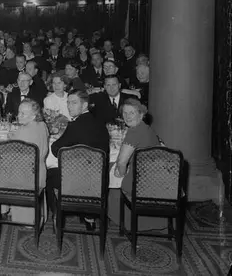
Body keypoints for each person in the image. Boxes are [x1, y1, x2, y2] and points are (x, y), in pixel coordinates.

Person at [0, 100, 49, 232]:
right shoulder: (42, 125)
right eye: (19, 112)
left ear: (34, 115)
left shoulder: (23, 131)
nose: (19, 116)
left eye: (24, 113)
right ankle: (10, 211)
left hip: (24, 179)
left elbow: (9, 157)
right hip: (39, 175)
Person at [47, 90, 109, 230]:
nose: (69, 106)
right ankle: (89, 217)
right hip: (98, 182)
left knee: (49, 173)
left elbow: (56, 149)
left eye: (74, 103)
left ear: (85, 105)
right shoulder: (101, 124)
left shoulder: (75, 126)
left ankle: (57, 216)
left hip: (76, 182)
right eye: (68, 102)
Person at [108, 98, 166, 231]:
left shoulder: (134, 132)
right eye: (125, 113)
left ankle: (123, 220)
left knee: (111, 176)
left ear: (141, 114)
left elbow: (121, 162)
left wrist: (120, 173)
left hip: (139, 184)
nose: (127, 116)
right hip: (155, 180)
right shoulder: (147, 128)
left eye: (132, 113)